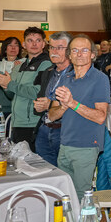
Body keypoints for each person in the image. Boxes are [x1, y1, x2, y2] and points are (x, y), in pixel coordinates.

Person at [50, 35, 110, 196]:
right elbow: (52, 115)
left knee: (81, 196)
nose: (79, 54)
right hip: (64, 144)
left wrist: (72, 103)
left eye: (84, 50)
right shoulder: (65, 78)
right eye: (75, 50)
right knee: (65, 194)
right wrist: (64, 106)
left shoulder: (99, 79)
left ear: (92, 54)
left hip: (86, 146)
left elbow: (100, 117)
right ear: (69, 55)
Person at [0, 27, 52, 152]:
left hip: (33, 123)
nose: (34, 44)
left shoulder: (46, 64)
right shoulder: (20, 66)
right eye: (30, 40)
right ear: (24, 44)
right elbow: (11, 95)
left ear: (43, 44)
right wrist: (5, 85)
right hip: (17, 122)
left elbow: (37, 92)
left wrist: (9, 84)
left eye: (38, 40)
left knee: (31, 161)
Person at [32, 32, 72, 166]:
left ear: (69, 50)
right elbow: (42, 97)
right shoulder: (48, 71)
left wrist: (50, 104)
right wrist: (39, 105)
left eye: (59, 48)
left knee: (66, 173)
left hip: (65, 131)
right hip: (44, 128)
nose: (54, 52)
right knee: (45, 173)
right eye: (52, 47)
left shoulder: (76, 74)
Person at [0, 36, 24, 117]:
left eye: (16, 45)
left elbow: (21, 87)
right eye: (10, 45)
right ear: (5, 49)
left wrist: (15, 71)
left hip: (19, 108)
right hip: (0, 108)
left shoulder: (24, 64)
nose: (13, 48)